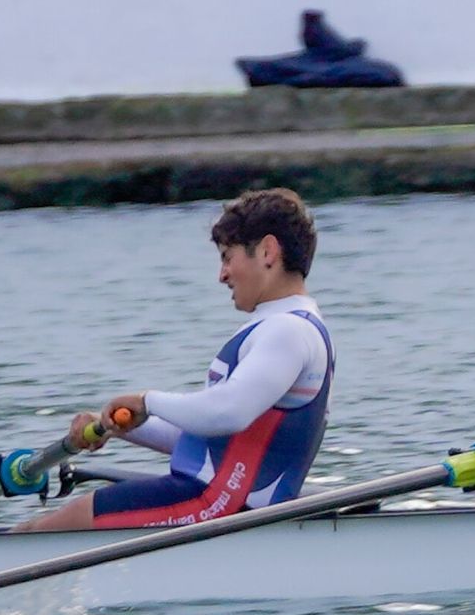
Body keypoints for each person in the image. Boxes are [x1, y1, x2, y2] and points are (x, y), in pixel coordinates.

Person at [17, 188, 333, 531]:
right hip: (219, 500)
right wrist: (117, 425)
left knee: (38, 531)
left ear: (268, 252)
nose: (222, 274)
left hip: (217, 504)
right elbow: (209, 437)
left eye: (228, 257)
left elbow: (227, 413)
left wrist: (147, 401)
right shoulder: (282, 327)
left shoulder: (288, 331)